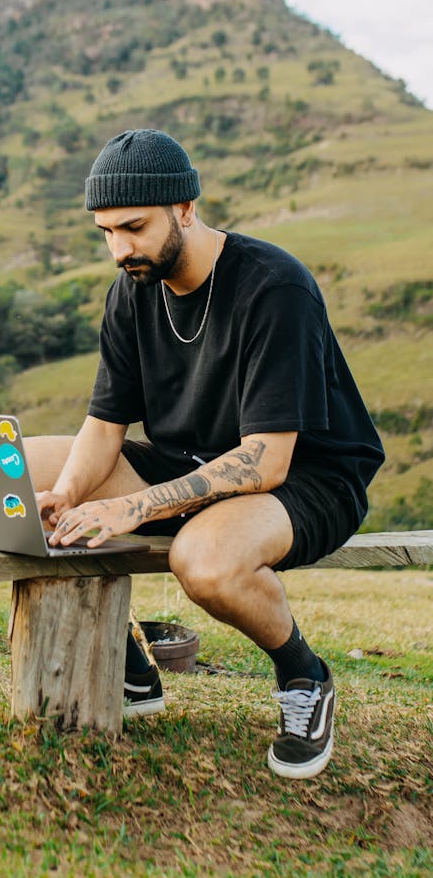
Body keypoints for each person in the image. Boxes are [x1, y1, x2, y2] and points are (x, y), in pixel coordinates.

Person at [25, 128, 384, 780]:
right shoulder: (132, 287)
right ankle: (132, 661)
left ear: (186, 209)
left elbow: (267, 460)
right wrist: (71, 494)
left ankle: (304, 674)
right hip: (187, 462)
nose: (118, 248)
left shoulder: (275, 287)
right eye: (105, 231)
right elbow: (104, 426)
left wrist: (132, 506)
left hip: (306, 475)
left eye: (133, 227)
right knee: (17, 474)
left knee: (206, 561)